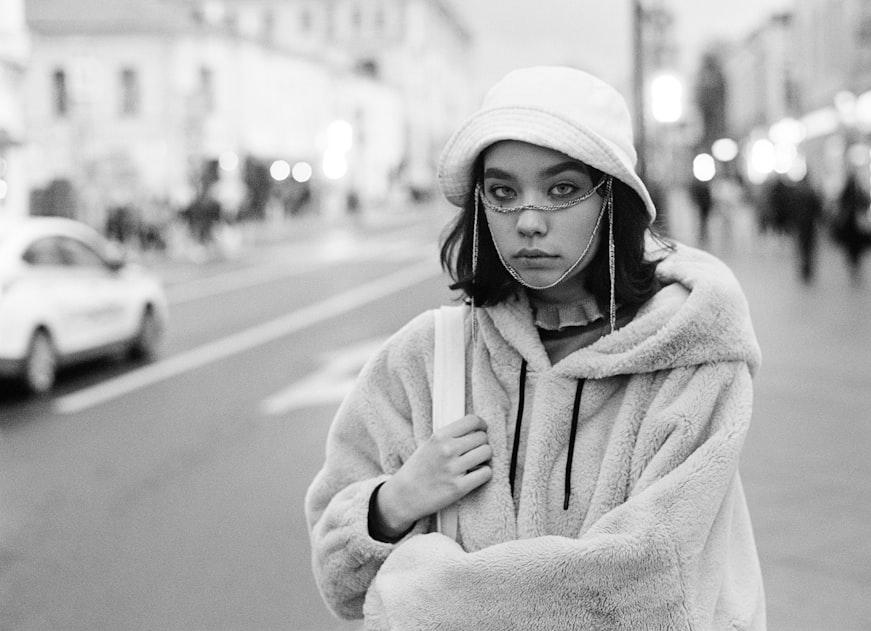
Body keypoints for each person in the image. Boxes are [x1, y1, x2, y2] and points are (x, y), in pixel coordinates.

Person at [305, 66, 765, 629]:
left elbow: (645, 588)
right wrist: (393, 503)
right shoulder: (427, 356)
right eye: (502, 192)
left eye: (562, 189)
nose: (527, 219)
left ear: (610, 200)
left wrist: (414, 595)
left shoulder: (691, 354)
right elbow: (340, 580)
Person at [830, 169, 871, 283]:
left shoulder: (854, 193)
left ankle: (854, 264)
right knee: (853, 247)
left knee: (854, 247)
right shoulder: (853, 193)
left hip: (854, 225)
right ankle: (854, 264)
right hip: (851, 225)